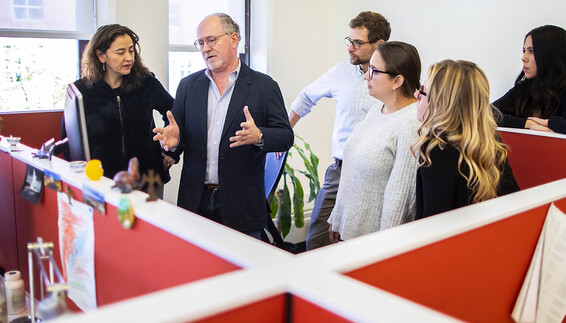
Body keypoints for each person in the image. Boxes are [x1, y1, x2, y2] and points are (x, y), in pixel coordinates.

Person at [152, 13, 293, 239]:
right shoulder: (188, 86)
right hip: (195, 202)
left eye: (211, 40)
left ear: (234, 39)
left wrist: (259, 136)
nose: (205, 48)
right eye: (201, 43)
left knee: (242, 271)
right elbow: (177, 139)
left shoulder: (263, 86)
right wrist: (175, 142)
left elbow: (286, 136)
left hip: (241, 205)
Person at [289, 11, 391, 250]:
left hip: (376, 172)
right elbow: (305, 98)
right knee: (317, 239)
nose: (351, 48)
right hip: (340, 170)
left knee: (362, 242)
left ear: (380, 44)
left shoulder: (394, 79)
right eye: (350, 41)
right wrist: (283, 134)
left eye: (358, 43)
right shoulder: (340, 72)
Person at [327, 41, 421, 241]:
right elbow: (351, 171)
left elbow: (400, 197)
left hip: (373, 242)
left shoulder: (411, 123)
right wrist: (338, 217)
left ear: (397, 81)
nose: (367, 76)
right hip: (350, 229)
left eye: (375, 71)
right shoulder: (375, 110)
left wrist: (383, 247)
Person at [65, 24, 174, 193]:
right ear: (101, 55)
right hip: (101, 182)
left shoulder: (147, 83)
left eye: (131, 51)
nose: (129, 57)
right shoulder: (81, 91)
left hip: (149, 179)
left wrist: (171, 150)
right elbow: (69, 142)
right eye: (120, 52)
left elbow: (175, 112)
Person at [414, 60, 520, 219]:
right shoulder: (489, 142)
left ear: (443, 104)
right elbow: (514, 203)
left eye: (422, 91)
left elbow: (433, 223)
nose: (416, 94)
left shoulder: (436, 149)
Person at [493, 25, 566, 138]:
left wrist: (549, 123)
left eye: (531, 51)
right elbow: (484, 113)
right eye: (524, 51)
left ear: (550, 56)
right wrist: (528, 124)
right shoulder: (522, 90)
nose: (523, 58)